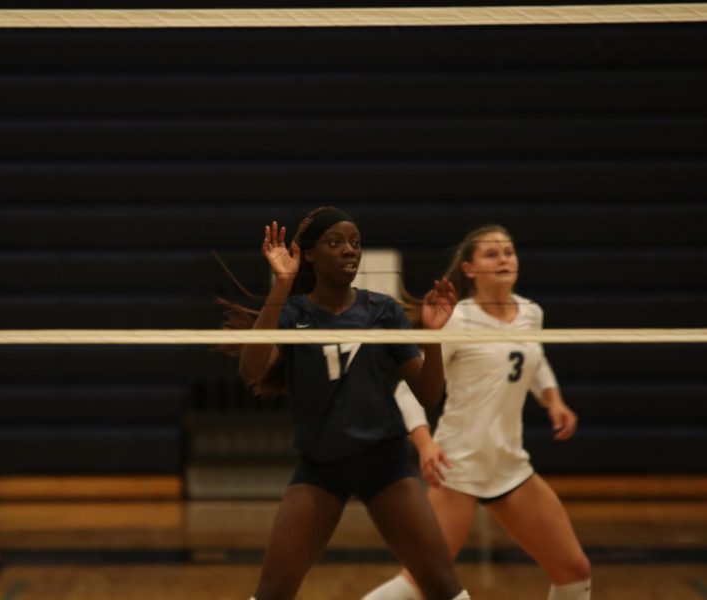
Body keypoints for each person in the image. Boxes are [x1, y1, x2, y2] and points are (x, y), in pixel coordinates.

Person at [224, 207, 470, 600]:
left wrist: (433, 336)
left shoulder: (383, 312)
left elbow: (428, 395)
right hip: (321, 468)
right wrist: (281, 285)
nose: (349, 251)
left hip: (385, 465)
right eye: (335, 242)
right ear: (310, 254)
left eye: (355, 243)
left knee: (445, 588)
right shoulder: (292, 314)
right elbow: (251, 370)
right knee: (271, 593)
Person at [363, 225, 591, 600]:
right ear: (469, 269)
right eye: (492, 254)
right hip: (457, 467)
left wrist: (553, 400)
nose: (504, 259)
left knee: (573, 570)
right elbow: (406, 390)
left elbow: (534, 359)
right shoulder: (458, 320)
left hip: (509, 465)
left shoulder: (532, 313)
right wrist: (425, 445)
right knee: (422, 581)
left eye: (509, 252)